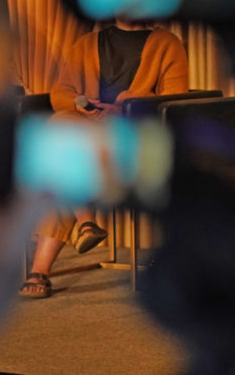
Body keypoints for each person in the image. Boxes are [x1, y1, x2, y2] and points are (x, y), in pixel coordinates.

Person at [18, 18, 189, 298]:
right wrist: (80, 105)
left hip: (133, 141)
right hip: (86, 134)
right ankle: (84, 223)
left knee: (64, 153)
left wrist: (126, 105)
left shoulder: (167, 44)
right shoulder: (86, 44)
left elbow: (175, 101)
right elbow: (62, 92)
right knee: (64, 136)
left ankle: (44, 266)